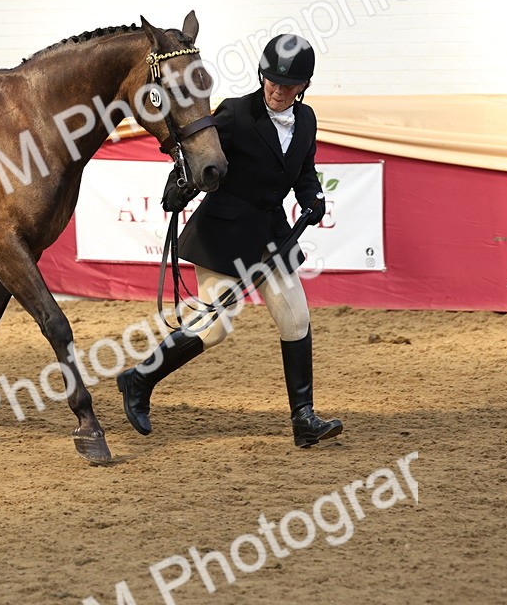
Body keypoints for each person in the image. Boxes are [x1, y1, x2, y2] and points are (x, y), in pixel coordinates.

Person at [116, 33, 344, 448]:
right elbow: (197, 151)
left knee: (295, 318)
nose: (277, 90)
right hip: (225, 231)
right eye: (271, 80)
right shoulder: (237, 113)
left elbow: (304, 170)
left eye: (288, 86)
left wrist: (313, 198)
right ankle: (139, 378)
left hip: (272, 233)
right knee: (215, 326)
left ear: (303, 87)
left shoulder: (306, 120)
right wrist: (177, 185)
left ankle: (304, 419)